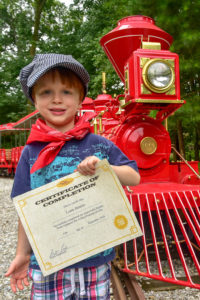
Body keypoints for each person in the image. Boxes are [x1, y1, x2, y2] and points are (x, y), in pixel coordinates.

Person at [5, 53, 140, 299]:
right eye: (46, 92)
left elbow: (134, 177)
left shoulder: (100, 145)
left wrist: (104, 166)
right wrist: (22, 255)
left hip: (95, 262)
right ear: (34, 100)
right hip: (49, 264)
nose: (57, 99)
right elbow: (26, 211)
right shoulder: (30, 152)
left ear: (80, 101)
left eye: (67, 92)